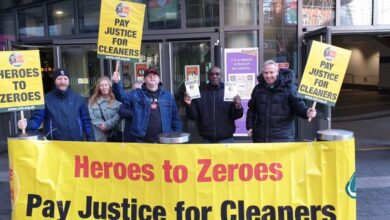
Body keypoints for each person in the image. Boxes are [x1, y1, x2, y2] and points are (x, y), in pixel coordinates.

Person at [246, 60, 316, 143]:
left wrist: (307, 112)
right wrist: (250, 126)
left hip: (282, 138)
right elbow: (252, 110)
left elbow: (298, 105)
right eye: (266, 73)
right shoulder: (258, 89)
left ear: (277, 72)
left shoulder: (288, 88)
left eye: (271, 72)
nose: (268, 75)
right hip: (261, 138)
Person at [18, 68, 95, 141]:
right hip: (53, 144)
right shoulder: (46, 99)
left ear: (69, 81)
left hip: (76, 142)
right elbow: (37, 120)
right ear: (55, 81)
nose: (63, 81)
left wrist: (91, 139)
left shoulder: (78, 98)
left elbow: (86, 121)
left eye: (65, 79)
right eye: (59, 79)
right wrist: (26, 124)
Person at [112, 68, 182, 142]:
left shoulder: (168, 96)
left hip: (164, 140)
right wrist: (117, 83)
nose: (152, 77)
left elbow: (175, 119)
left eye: (154, 75)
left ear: (159, 79)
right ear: (144, 80)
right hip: (141, 140)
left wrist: (177, 137)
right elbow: (122, 98)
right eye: (149, 75)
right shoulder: (136, 94)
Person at [184, 66, 243, 143]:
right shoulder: (200, 92)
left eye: (217, 74)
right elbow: (193, 117)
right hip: (205, 139)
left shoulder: (229, 91)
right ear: (208, 76)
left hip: (226, 139)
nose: (214, 76)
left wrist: (238, 106)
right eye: (211, 74)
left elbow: (237, 115)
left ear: (221, 76)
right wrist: (189, 105)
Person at [88, 76, 122, 142]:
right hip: (98, 136)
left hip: (113, 136)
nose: (104, 87)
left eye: (106, 85)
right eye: (101, 85)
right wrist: (101, 125)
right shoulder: (92, 101)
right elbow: (90, 115)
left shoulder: (116, 99)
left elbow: (119, 115)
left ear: (109, 86)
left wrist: (107, 125)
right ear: (99, 88)